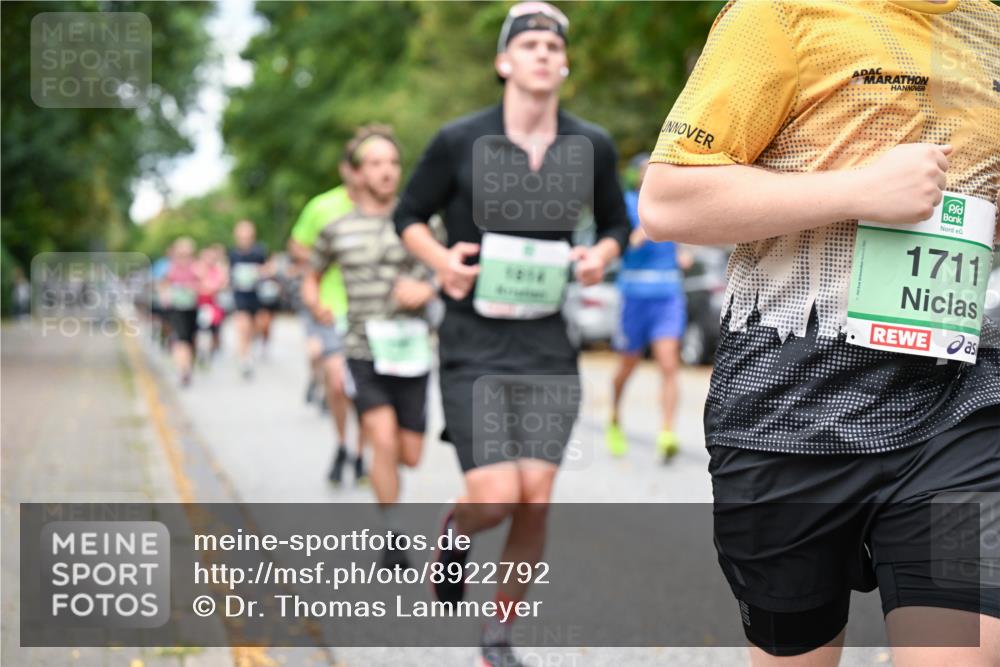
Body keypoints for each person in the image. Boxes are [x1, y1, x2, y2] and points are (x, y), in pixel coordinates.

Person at [639, 0, 999, 664]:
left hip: (957, 410)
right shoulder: (780, 15)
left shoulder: (990, 27)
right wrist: (857, 191)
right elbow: (666, 201)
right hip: (791, 414)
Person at [394, 4, 629, 665]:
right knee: (496, 495)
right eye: (528, 44)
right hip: (473, 341)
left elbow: (617, 224)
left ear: (566, 65)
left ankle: (496, 636)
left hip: (548, 342)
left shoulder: (592, 146)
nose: (543, 54)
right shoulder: (459, 140)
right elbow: (410, 215)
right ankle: (456, 525)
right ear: (504, 62)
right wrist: (443, 263)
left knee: (536, 500)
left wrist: (599, 256)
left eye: (553, 46)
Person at [308, 125, 437, 569]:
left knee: (410, 454)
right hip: (363, 348)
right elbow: (310, 274)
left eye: (393, 163)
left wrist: (428, 289)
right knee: (380, 438)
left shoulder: (420, 221)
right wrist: (315, 302)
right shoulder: (336, 228)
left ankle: (392, 502)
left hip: (412, 350)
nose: (387, 171)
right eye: (376, 163)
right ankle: (395, 532)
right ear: (358, 173)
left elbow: (445, 267)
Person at [606, 152, 689, 461]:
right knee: (626, 367)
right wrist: (638, 234)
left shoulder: (672, 203)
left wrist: (682, 254)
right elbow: (619, 241)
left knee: (669, 364)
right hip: (634, 298)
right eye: (644, 169)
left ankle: (667, 432)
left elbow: (681, 236)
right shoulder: (627, 204)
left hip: (668, 296)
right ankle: (614, 417)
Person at [290, 153, 365, 485]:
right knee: (337, 380)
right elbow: (297, 245)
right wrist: (329, 254)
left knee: (365, 387)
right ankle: (341, 443)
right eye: (361, 164)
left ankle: (361, 454)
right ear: (346, 169)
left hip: (372, 310)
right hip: (331, 305)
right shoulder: (322, 206)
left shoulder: (385, 208)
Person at [227, 220, 271, 379]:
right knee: (243, 327)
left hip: (256, 295)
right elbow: (227, 272)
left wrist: (259, 272)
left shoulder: (259, 251)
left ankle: (249, 350)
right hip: (240, 295)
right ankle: (244, 359)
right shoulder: (232, 253)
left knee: (257, 326)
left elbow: (268, 268)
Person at [162, 237, 201, 387]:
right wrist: (167, 295)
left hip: (192, 309)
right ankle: (183, 370)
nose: (184, 258)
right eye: (181, 254)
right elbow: (164, 285)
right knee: (181, 340)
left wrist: (193, 287)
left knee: (190, 340)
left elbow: (204, 284)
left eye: (187, 254)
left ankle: (187, 366)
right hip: (177, 309)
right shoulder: (170, 269)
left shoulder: (196, 268)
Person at [196, 244, 228, 364]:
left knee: (215, 330)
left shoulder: (219, 270)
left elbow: (222, 284)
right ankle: (202, 351)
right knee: (202, 330)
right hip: (201, 306)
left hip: (215, 307)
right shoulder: (198, 269)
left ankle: (213, 349)